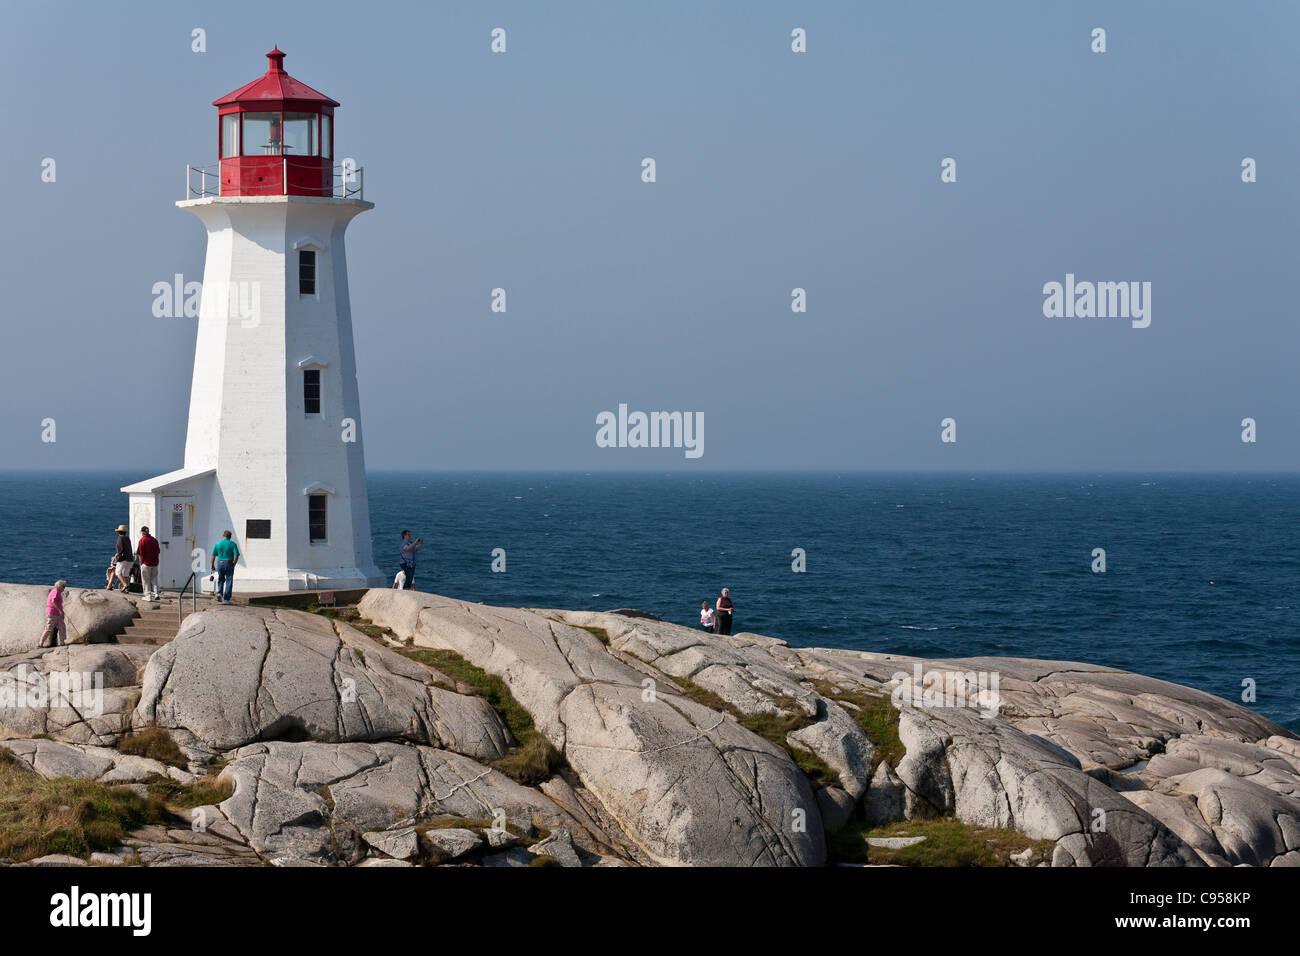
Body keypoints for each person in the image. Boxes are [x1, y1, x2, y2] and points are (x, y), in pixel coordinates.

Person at [209, 530, 241, 604]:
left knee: (221, 579)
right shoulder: (233, 544)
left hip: (220, 563)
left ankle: (219, 593)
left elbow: (213, 556)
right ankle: (227, 599)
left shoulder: (217, 544)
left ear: (223, 535)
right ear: (230, 537)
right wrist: (234, 563)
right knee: (229, 580)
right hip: (229, 563)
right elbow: (236, 555)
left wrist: (212, 565)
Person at [38, 580, 68, 648]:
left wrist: (61, 611)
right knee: (49, 628)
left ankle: (62, 642)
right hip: (53, 613)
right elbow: (53, 601)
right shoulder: (55, 592)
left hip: (57, 614)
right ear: (59, 586)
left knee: (62, 627)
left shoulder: (57, 592)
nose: (64, 588)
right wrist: (60, 610)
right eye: (63, 586)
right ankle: (41, 643)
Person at [137, 525, 161, 600]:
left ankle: (148, 596)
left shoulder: (142, 541)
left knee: (146, 580)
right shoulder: (154, 540)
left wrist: (141, 564)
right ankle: (156, 593)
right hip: (155, 563)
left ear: (142, 532)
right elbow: (158, 551)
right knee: (154, 579)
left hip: (146, 563)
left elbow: (140, 554)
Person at [111, 525, 133, 592]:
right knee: (126, 574)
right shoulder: (127, 538)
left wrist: (115, 557)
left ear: (118, 532)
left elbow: (119, 550)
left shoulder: (120, 538)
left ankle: (125, 585)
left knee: (118, 572)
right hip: (130, 558)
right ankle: (126, 589)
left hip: (123, 558)